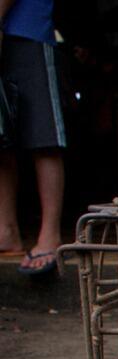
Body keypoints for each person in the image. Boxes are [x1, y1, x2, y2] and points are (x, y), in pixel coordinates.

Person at [0, 0, 66, 275]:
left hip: (27, 29)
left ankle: (49, 235)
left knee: (44, 136)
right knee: (1, 137)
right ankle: (6, 230)